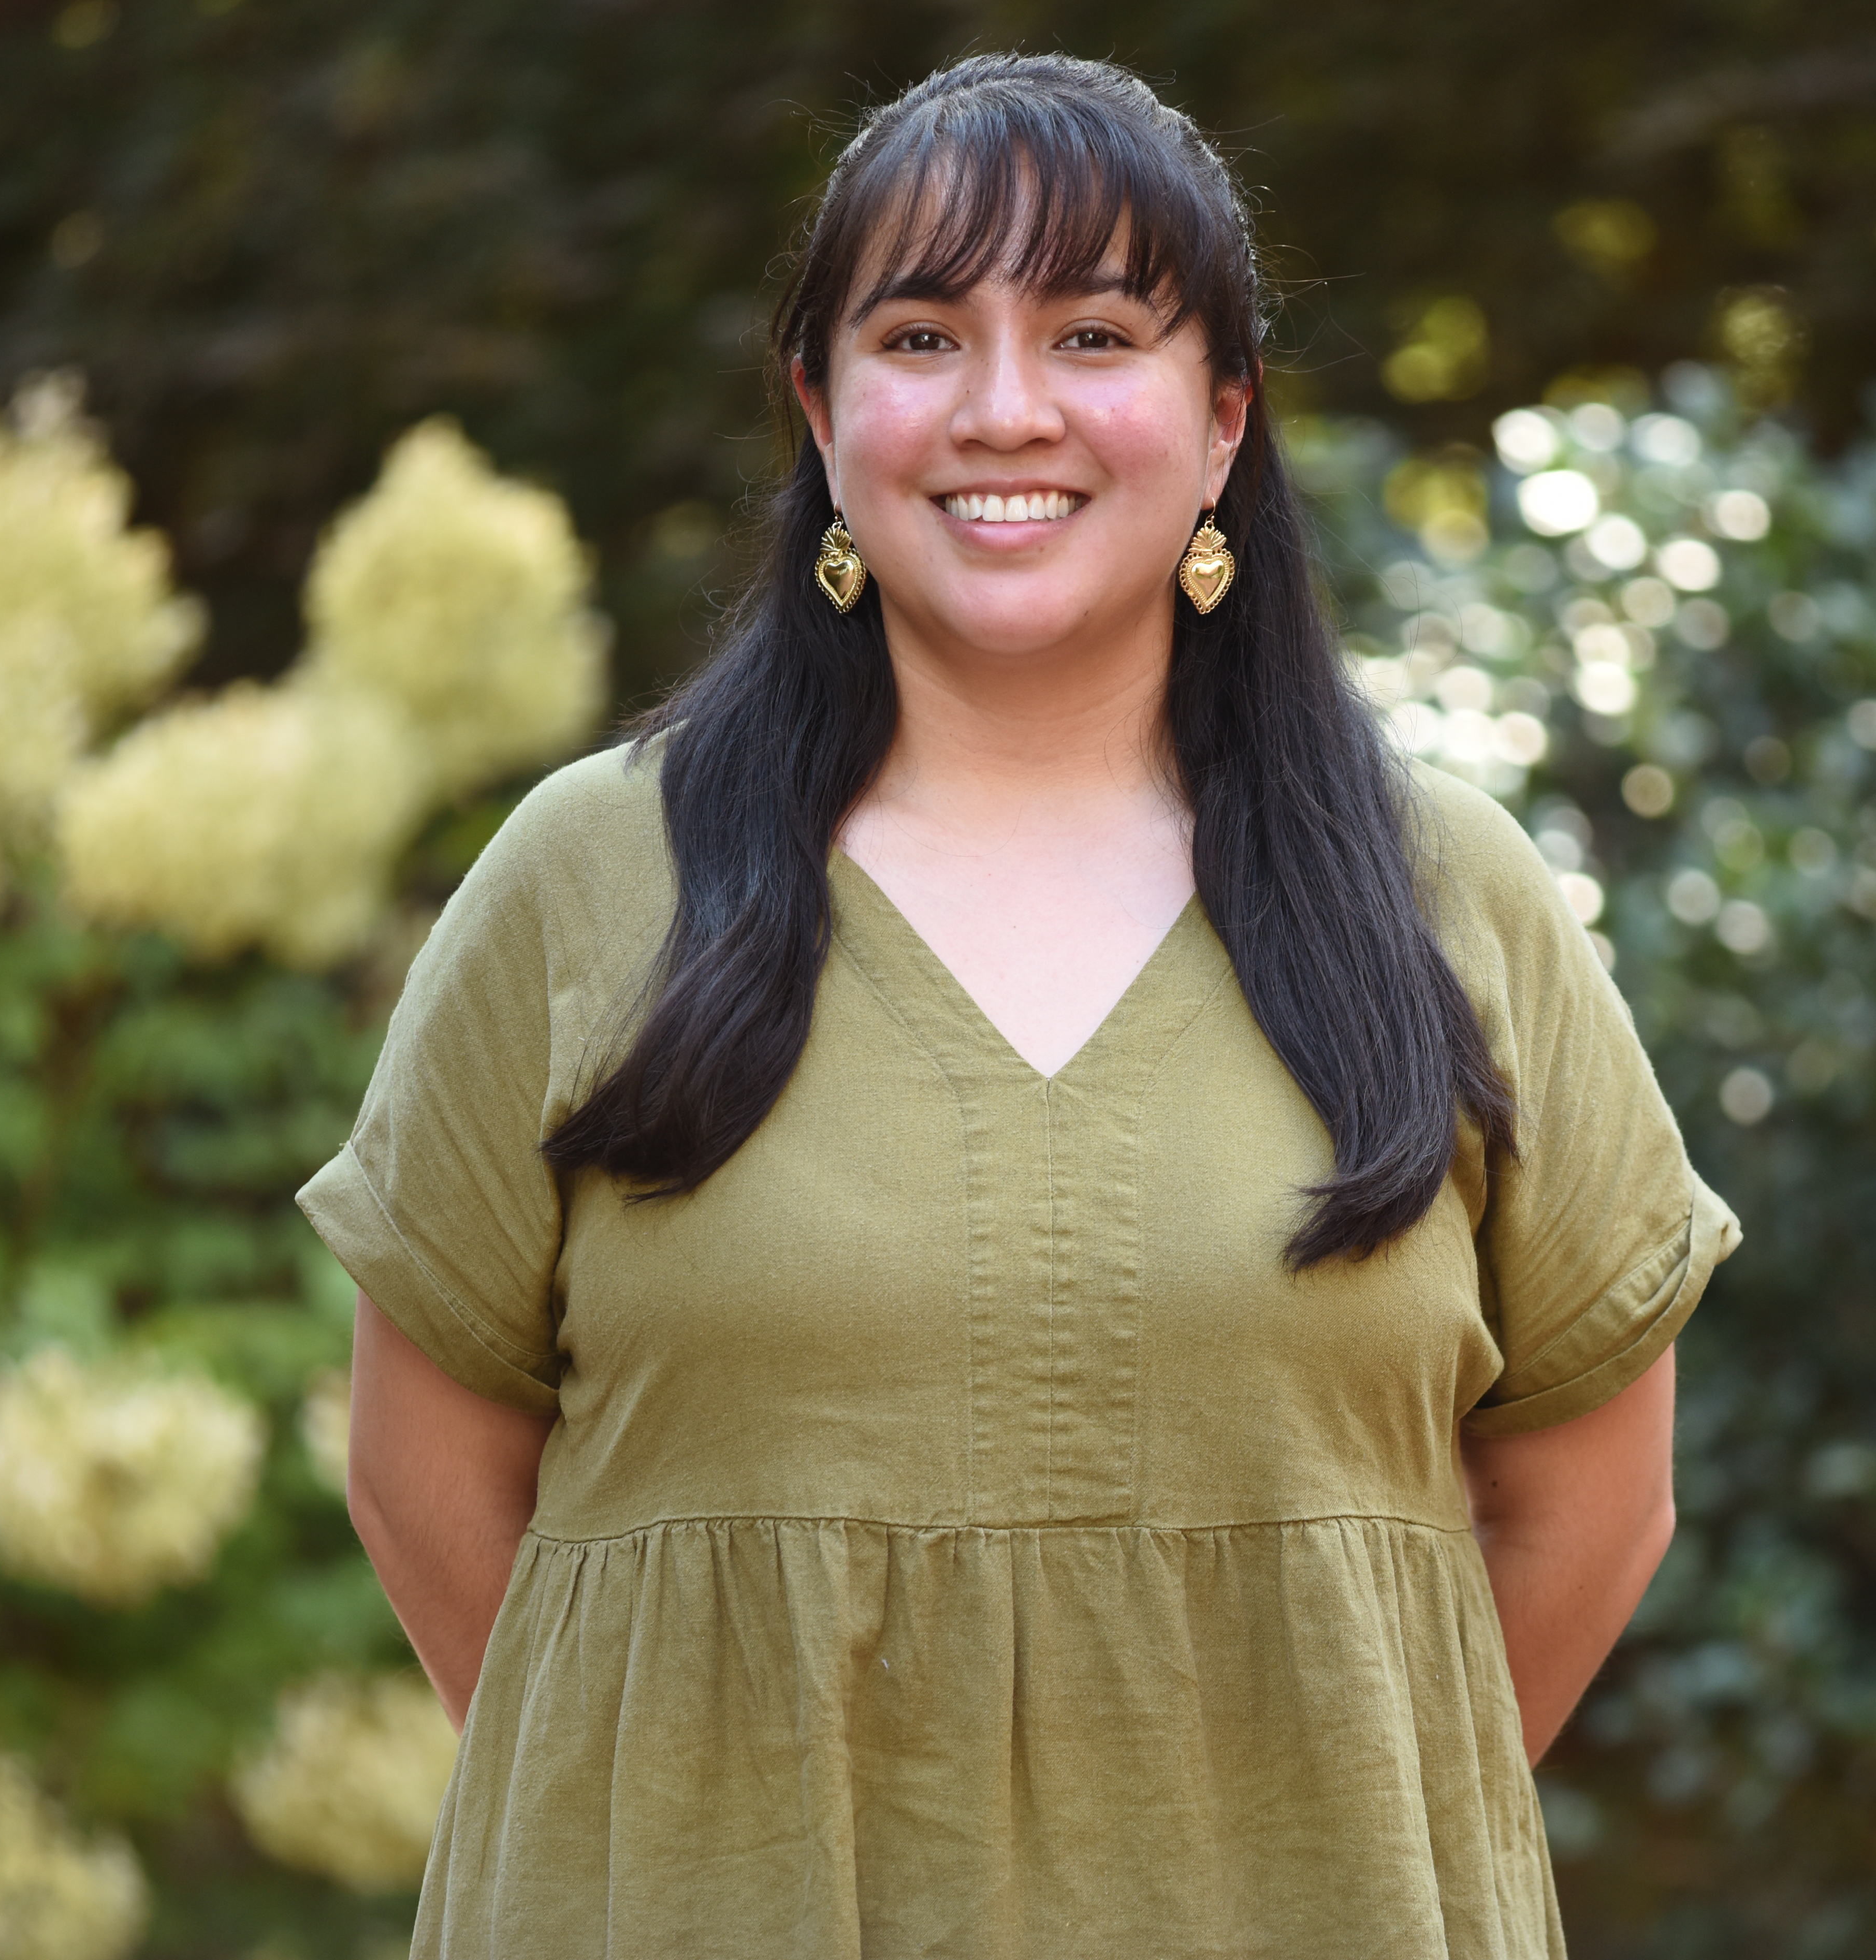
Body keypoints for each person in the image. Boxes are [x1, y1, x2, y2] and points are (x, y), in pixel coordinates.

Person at [301, 51, 1739, 1958]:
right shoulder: (587, 880)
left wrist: (1304, 1836)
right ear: (820, 409)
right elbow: (423, 1471)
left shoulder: (1442, 895)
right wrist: (673, 1835)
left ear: (1221, 417)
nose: (1002, 410)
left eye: (1091, 332)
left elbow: (1591, 1502)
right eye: (919, 333)